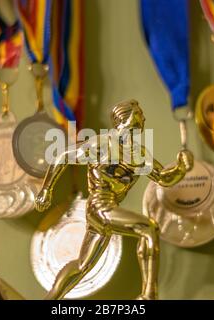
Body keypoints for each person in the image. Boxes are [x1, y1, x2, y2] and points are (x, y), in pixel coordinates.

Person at [35, 99, 193, 300]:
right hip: (99, 206)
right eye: (139, 114)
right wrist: (46, 190)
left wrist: (181, 168)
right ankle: (148, 295)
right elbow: (64, 156)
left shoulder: (139, 154)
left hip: (108, 211)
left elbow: (164, 178)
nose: (143, 118)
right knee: (149, 229)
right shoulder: (102, 143)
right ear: (125, 119)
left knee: (82, 266)